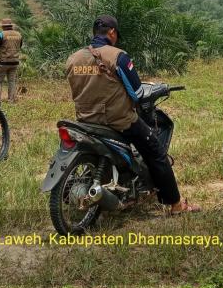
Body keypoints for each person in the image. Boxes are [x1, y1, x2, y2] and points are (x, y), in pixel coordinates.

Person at [65, 14, 200, 214]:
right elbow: (137, 93)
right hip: (117, 121)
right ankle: (176, 204)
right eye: (115, 33)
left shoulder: (74, 59)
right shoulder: (118, 56)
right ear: (111, 32)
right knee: (155, 151)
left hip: (86, 120)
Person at [0, 18, 22, 103]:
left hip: (3, 62)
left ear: (3, 27)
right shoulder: (18, 34)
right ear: (11, 26)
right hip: (15, 62)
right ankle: (11, 100)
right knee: (12, 81)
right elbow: (20, 46)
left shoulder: (1, 34)